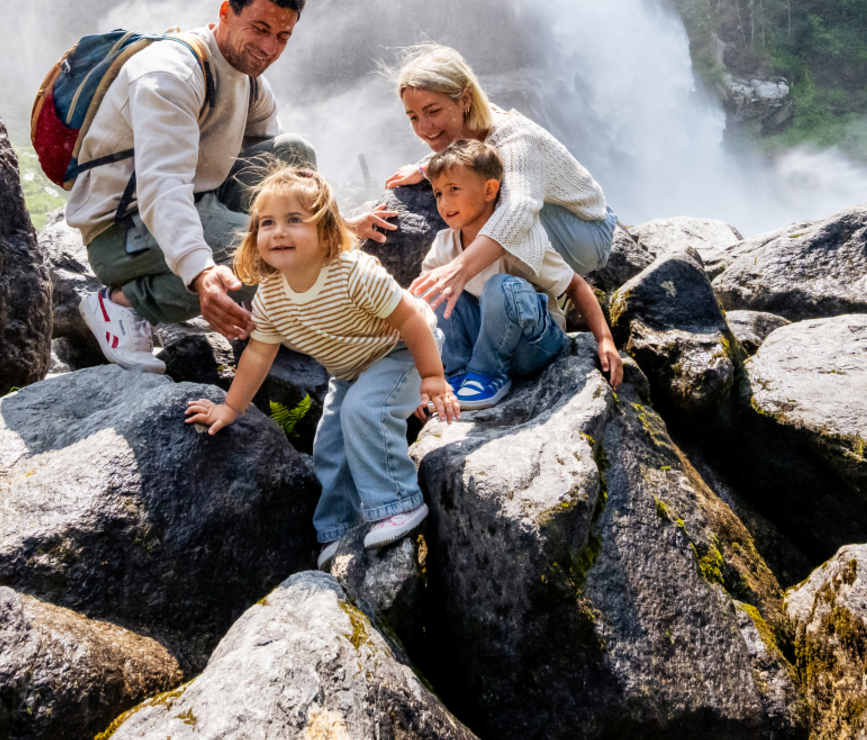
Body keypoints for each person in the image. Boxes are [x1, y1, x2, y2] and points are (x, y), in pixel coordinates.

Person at [69, 0, 392, 363]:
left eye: (282, 36)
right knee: (274, 256)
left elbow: (281, 180)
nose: (270, 48)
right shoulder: (170, 76)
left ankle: (271, 295)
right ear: (225, 12)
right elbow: (162, 189)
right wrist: (202, 273)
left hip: (201, 198)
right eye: (260, 28)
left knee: (294, 154)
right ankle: (121, 302)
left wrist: (331, 228)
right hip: (124, 229)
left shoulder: (250, 80)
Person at [185, 166, 459, 565]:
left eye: (294, 220)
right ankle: (339, 526)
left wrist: (432, 376)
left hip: (402, 351)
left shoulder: (354, 273)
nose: (278, 232)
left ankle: (398, 503)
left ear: (327, 231)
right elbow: (258, 355)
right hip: (350, 371)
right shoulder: (271, 297)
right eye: (267, 223)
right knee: (330, 444)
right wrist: (230, 407)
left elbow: (411, 319)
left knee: (365, 411)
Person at [385, 44, 619, 320]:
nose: (424, 127)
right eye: (414, 117)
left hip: (586, 230)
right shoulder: (470, 129)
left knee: (491, 206)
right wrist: (425, 168)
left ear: (465, 98)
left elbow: (517, 209)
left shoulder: (516, 138)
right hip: (559, 223)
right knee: (469, 197)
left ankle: (551, 295)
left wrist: (459, 269)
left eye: (433, 111)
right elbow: (470, 153)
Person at [420, 139, 624, 409]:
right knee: (432, 288)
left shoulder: (522, 239)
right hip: (481, 339)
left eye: (453, 189)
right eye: (438, 194)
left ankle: (488, 375)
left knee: (501, 287)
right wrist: (424, 376)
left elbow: (575, 285)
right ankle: (455, 375)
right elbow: (421, 312)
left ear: (490, 190)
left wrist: (605, 340)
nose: (444, 202)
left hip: (531, 346)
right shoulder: (444, 244)